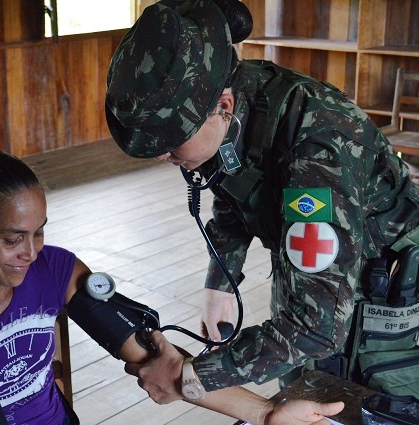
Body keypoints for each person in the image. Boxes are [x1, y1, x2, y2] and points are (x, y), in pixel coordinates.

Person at [0, 134, 345, 424]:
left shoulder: (55, 270)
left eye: (39, 232)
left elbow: (157, 360)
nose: (30, 253)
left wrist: (267, 414)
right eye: (13, 239)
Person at [105, 0, 419, 406]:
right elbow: (231, 191)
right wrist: (220, 282)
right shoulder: (230, 100)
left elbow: (317, 328)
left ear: (224, 107)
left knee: (375, 407)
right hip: (310, 284)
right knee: (303, 397)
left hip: (385, 309)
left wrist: (191, 375)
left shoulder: (316, 147)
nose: (162, 156)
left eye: (170, 141)